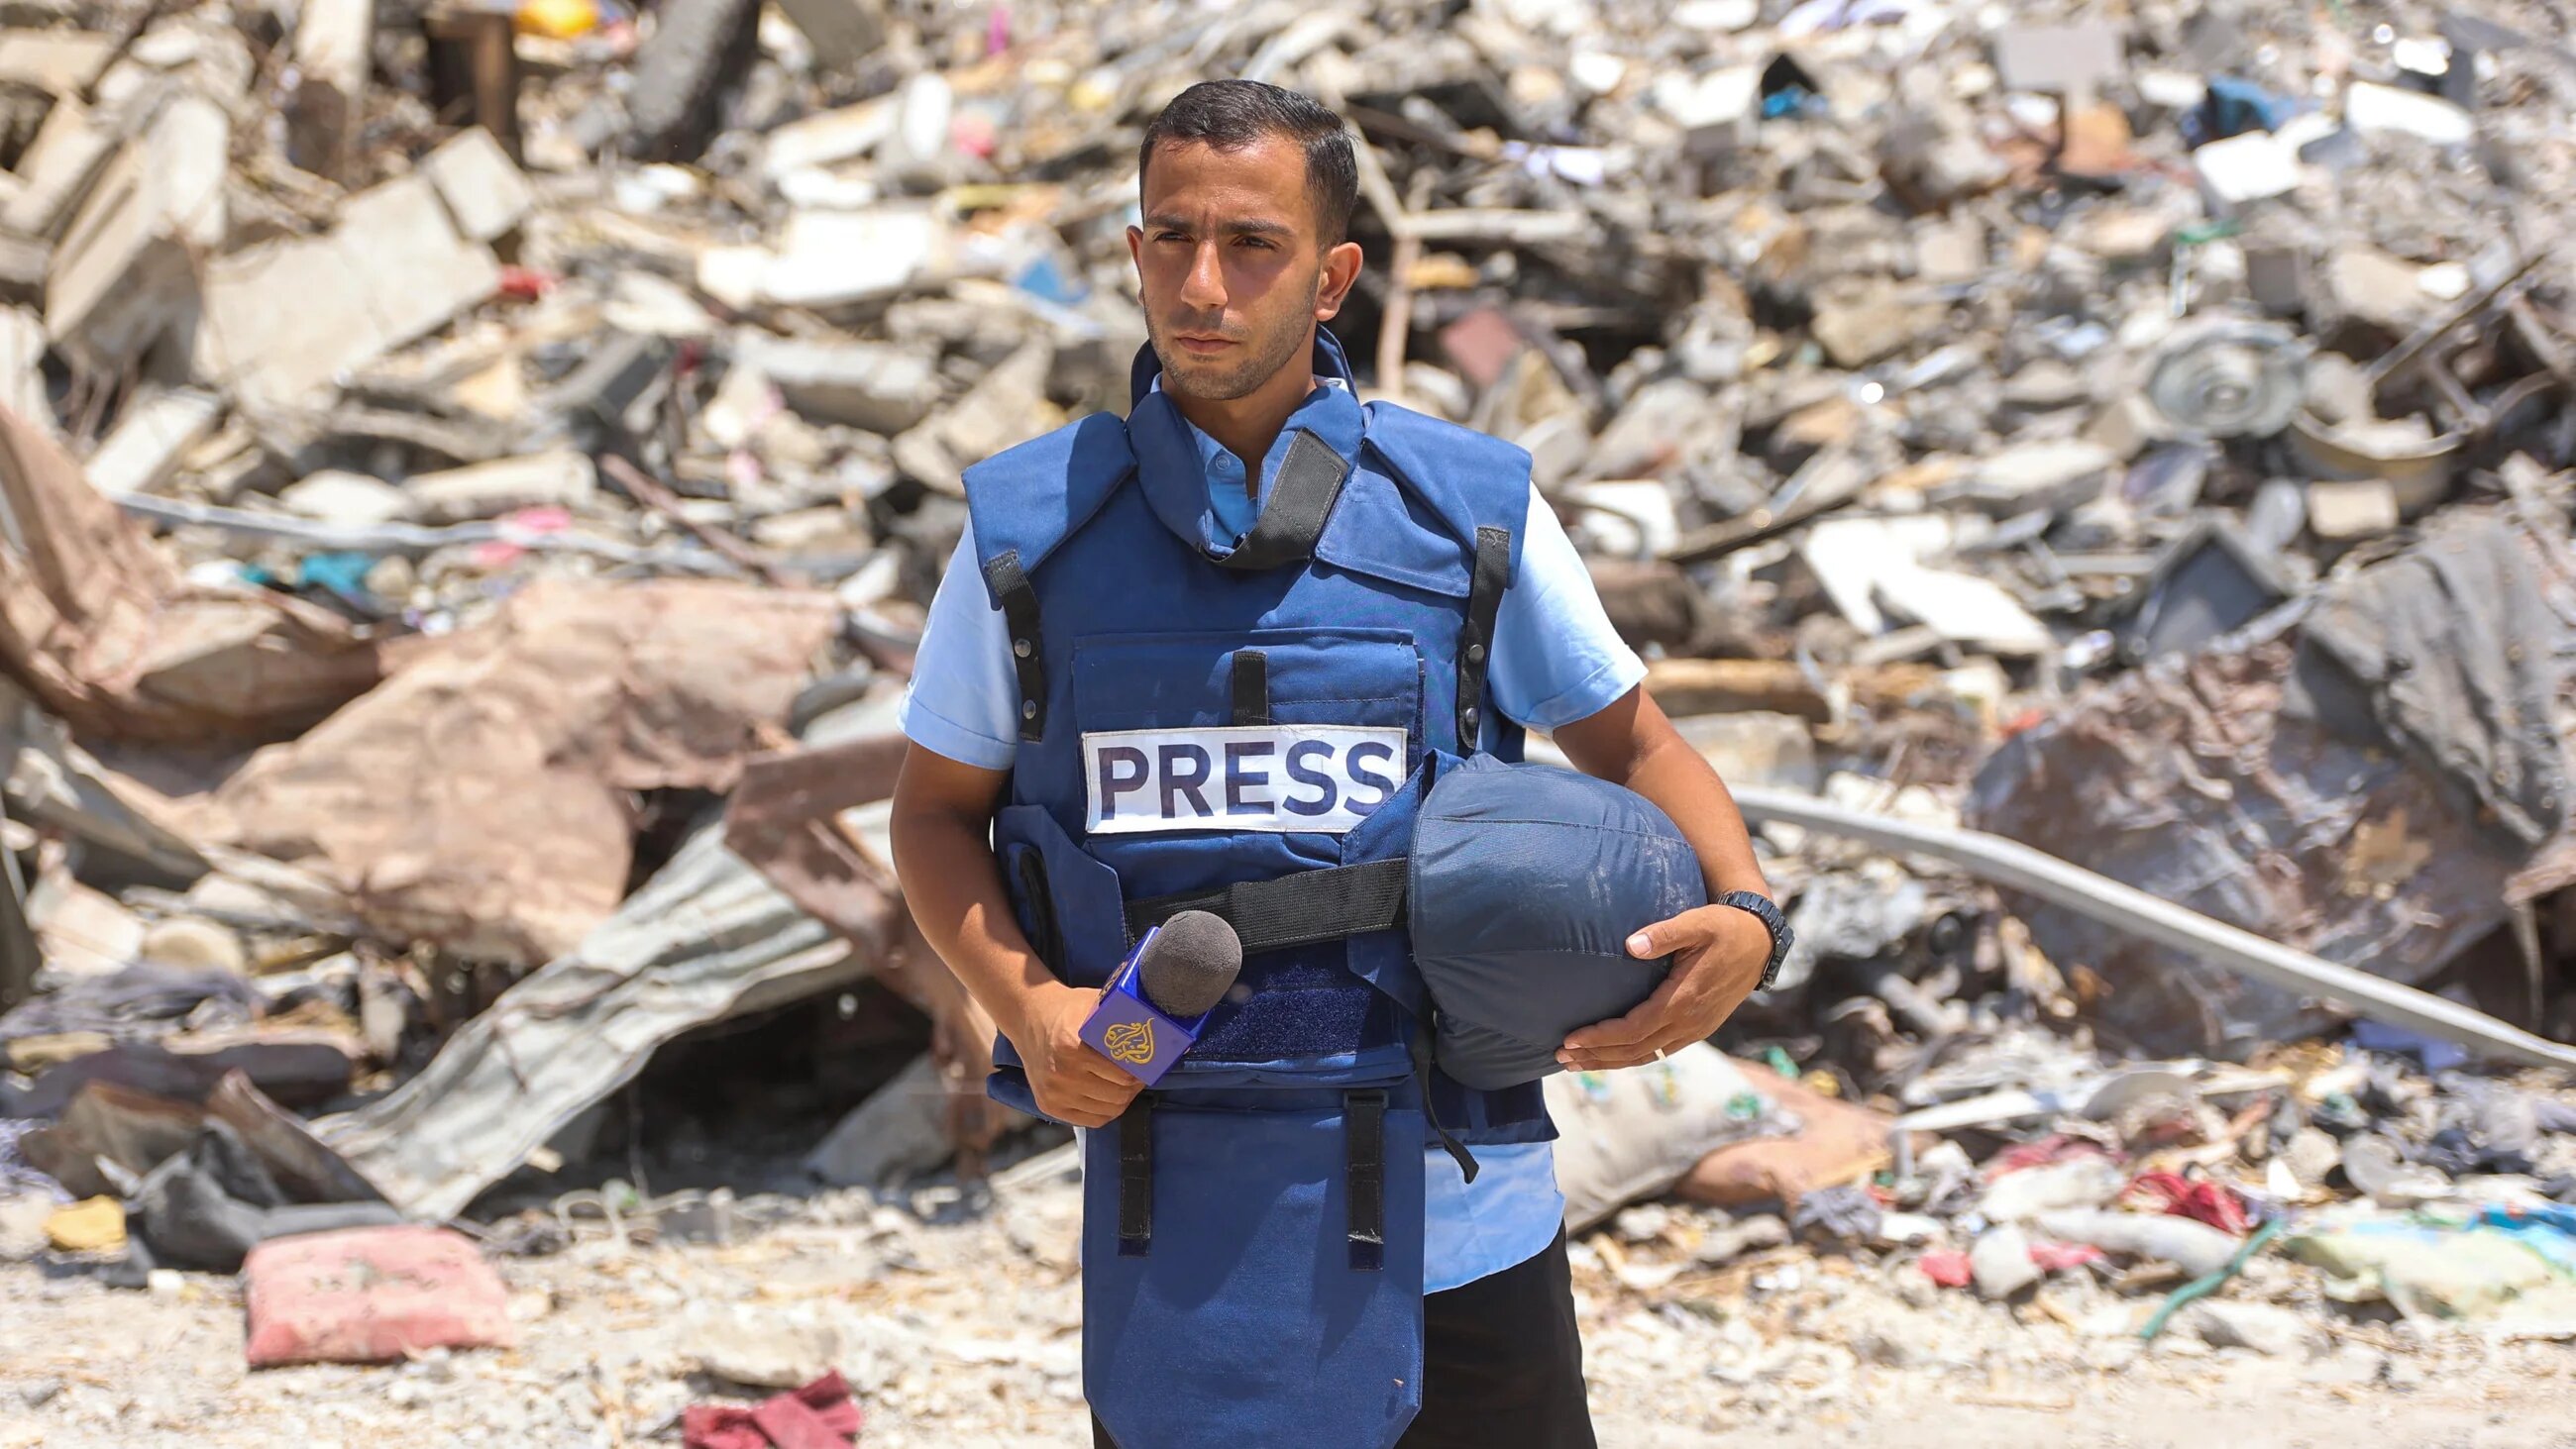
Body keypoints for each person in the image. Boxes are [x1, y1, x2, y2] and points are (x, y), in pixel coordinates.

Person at [889, 78, 1784, 1449]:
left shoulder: (1465, 509)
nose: (1203, 284)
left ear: (1331, 277)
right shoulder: (1029, 531)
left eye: (1252, 245)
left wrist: (1748, 916)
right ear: (1133, 254)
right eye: (1172, 239)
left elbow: (1637, 744)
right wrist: (1027, 1006)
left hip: (1461, 1217)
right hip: (1176, 1209)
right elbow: (934, 816)